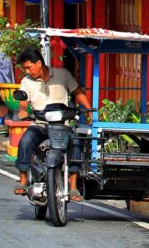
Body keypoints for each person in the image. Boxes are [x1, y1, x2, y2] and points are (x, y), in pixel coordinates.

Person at [13, 47, 92, 202]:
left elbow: (77, 92)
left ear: (39, 63)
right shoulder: (26, 81)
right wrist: (23, 110)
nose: (27, 71)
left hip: (63, 125)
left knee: (76, 142)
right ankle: (23, 180)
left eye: (29, 67)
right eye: (24, 69)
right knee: (25, 141)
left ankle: (73, 185)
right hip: (40, 124)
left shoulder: (62, 74)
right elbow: (23, 101)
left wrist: (89, 111)